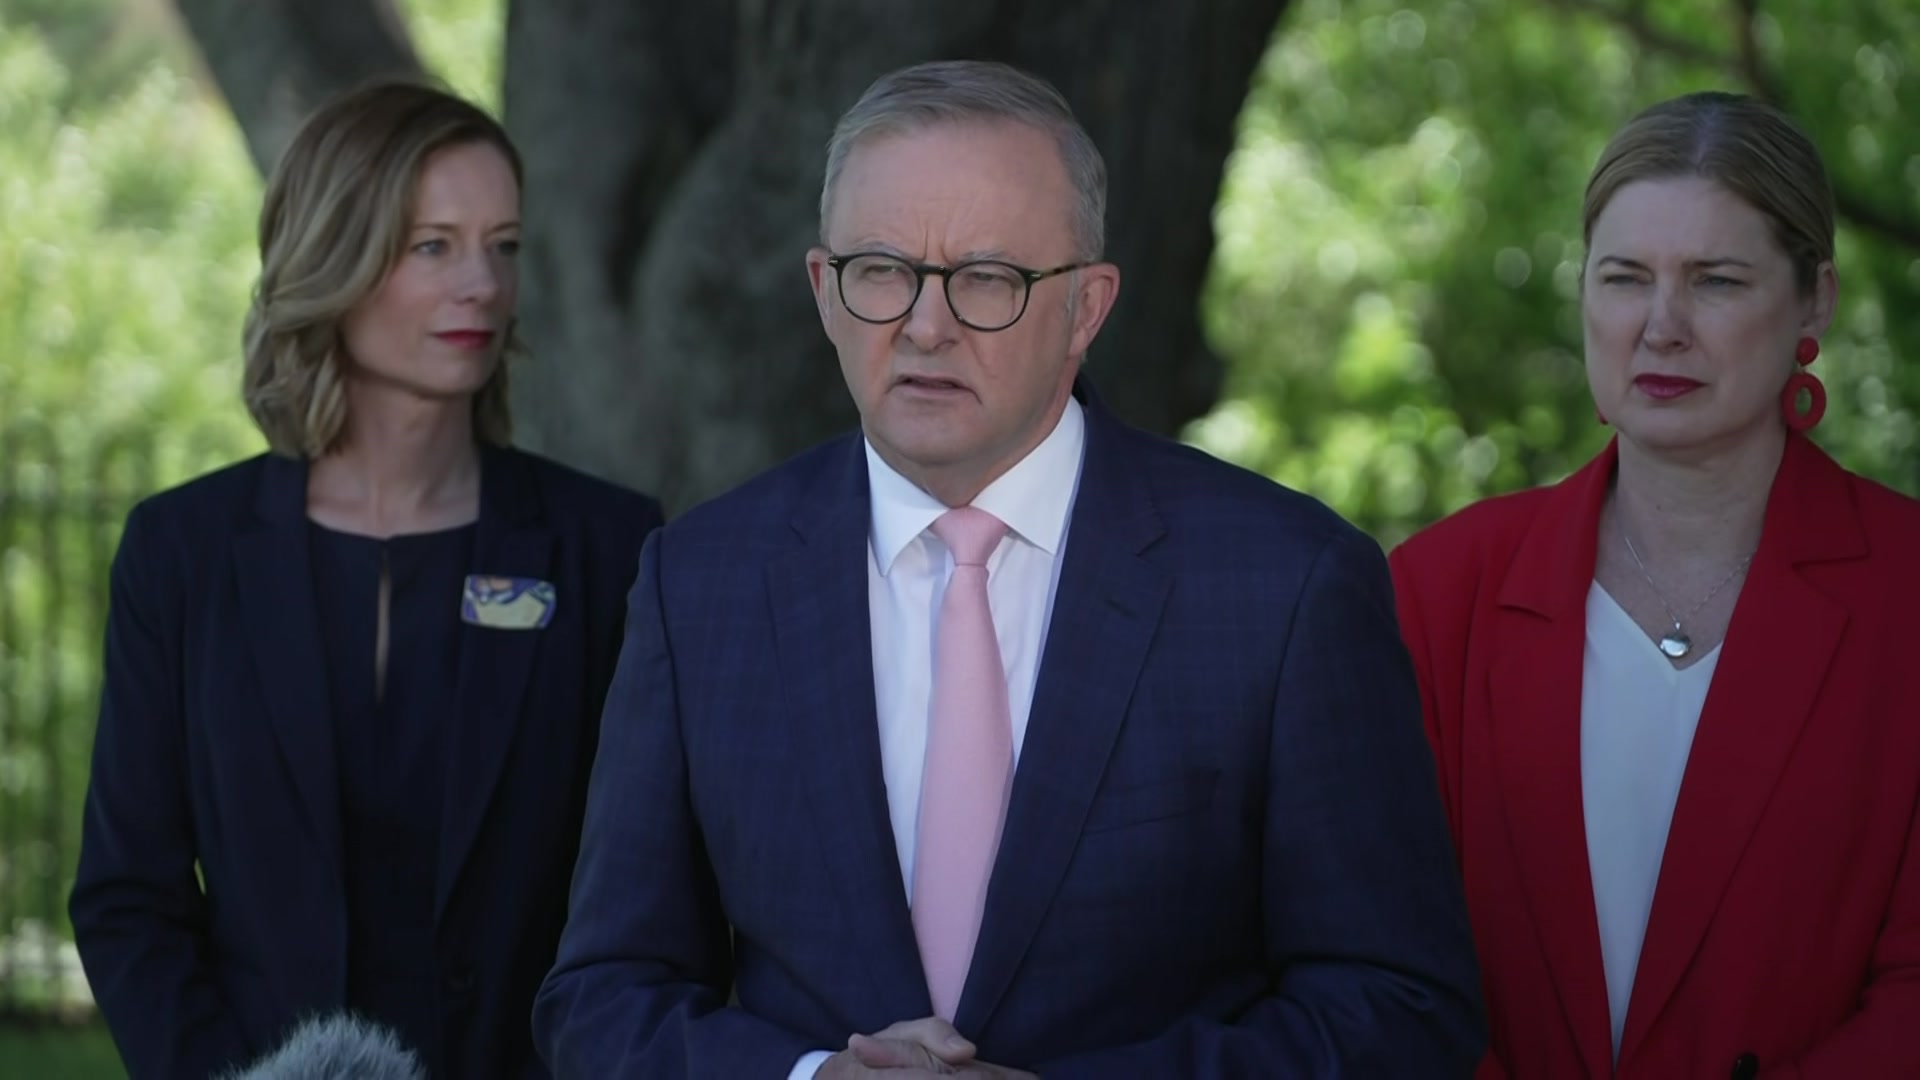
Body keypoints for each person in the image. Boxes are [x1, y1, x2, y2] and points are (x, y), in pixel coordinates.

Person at [534, 59, 1483, 1079]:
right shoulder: (701, 582)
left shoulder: (1285, 585)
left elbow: (1398, 1009)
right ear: (823, 290)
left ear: (1085, 308)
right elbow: (602, 1000)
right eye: (883, 270)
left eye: (986, 278)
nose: (925, 324)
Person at [69, 80, 663, 1079]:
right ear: (333, 256)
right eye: (433, 244)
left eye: (503, 245)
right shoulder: (183, 552)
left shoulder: (606, 547)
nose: (481, 282)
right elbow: (130, 901)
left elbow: (652, 897)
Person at [1389, 91, 1920, 1079]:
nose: (1661, 327)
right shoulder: (1435, 592)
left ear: (1816, 299)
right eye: (1625, 277)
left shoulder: (1910, 597)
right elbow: (1377, 961)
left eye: (1717, 281)